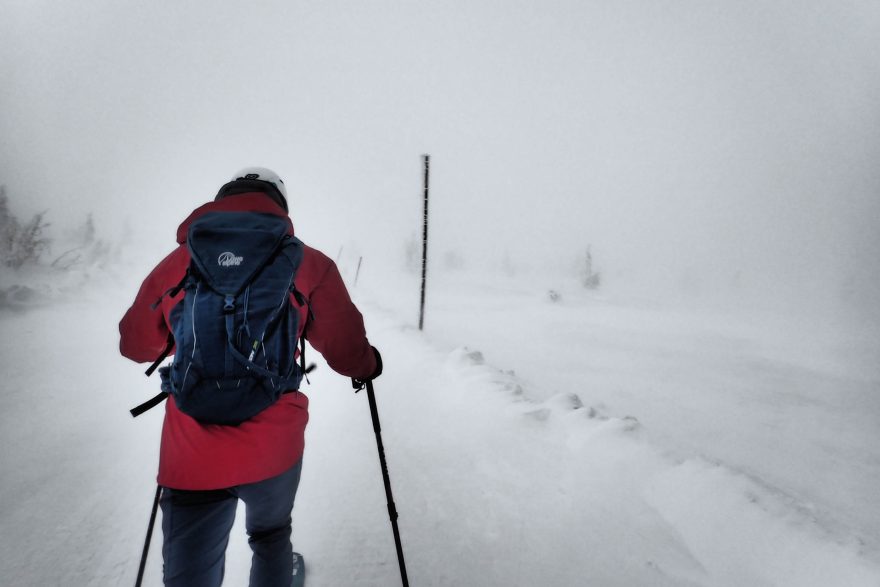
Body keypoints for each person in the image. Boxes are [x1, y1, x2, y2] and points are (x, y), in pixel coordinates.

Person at [119, 167, 382, 586]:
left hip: (191, 443)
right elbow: (348, 352)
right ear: (279, 207)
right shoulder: (308, 262)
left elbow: (135, 345)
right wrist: (369, 366)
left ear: (223, 200)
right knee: (270, 533)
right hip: (272, 441)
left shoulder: (180, 262)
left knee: (189, 571)